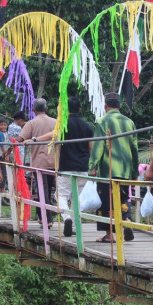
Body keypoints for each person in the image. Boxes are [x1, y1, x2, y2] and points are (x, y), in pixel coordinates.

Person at [88, 93, 139, 243]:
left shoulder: (102, 121)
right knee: (123, 198)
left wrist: (92, 167)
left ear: (105, 106)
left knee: (106, 202)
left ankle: (109, 235)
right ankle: (127, 220)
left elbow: (98, 146)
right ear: (120, 106)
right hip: (124, 170)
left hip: (107, 169)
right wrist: (135, 171)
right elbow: (134, 149)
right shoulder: (129, 122)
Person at [16, 98, 58, 227]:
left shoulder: (31, 123)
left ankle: (48, 219)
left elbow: (20, 139)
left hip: (39, 161)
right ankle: (41, 216)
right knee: (47, 189)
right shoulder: (55, 122)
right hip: (54, 160)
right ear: (46, 109)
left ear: (33, 110)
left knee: (42, 189)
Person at [56, 97, 93, 237]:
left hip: (66, 166)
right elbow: (91, 148)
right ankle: (75, 224)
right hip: (83, 167)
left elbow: (57, 146)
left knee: (61, 195)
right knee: (78, 197)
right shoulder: (87, 126)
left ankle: (67, 218)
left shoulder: (63, 125)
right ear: (79, 109)